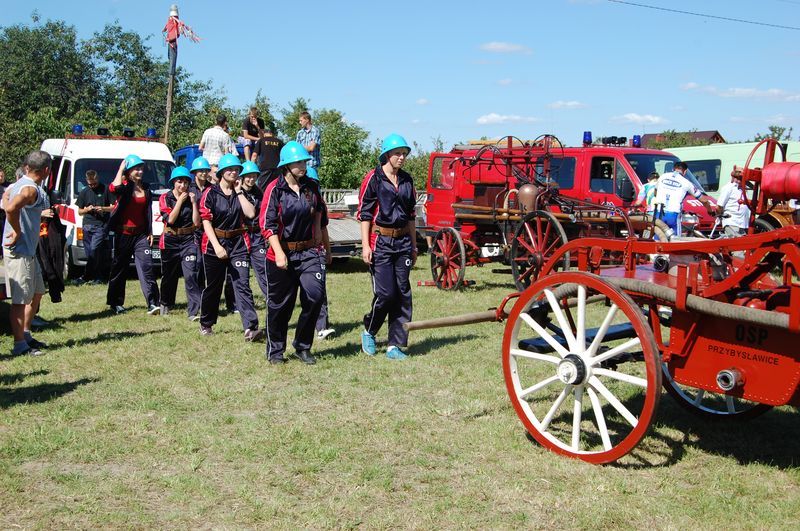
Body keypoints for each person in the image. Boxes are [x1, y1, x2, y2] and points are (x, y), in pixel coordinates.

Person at [260, 141, 331, 365]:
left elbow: (320, 209)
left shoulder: (311, 186)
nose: (303, 165)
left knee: (315, 295)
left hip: (309, 251)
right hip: (281, 253)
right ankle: (275, 350)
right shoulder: (274, 189)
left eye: (304, 161)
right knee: (281, 305)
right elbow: (267, 224)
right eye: (299, 162)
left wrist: (321, 236)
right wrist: (279, 253)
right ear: (287, 165)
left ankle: (302, 346)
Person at [357, 134, 417, 360]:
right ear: (387, 155)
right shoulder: (373, 178)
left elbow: (411, 215)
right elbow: (364, 214)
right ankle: (369, 331)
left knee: (402, 293)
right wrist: (365, 245)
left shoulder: (407, 180)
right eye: (397, 154)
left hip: (403, 242)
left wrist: (413, 245)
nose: (402, 158)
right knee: (385, 293)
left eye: (404, 154)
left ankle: (395, 345)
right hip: (380, 242)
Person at [198, 153, 262, 340]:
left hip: (238, 243)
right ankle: (206, 323)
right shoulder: (210, 193)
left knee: (242, 284)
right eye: (230, 169)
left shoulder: (241, 193)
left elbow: (250, 214)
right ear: (222, 172)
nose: (234, 172)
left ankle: (250, 327)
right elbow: (206, 222)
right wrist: (217, 246)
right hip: (214, 243)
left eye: (237, 170)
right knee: (214, 286)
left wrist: (240, 192)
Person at [2, 151, 51, 356]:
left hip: (30, 250)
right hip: (20, 250)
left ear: (27, 167)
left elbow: (6, 198)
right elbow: (11, 208)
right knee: (20, 300)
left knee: (37, 291)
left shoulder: (18, 184)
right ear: (46, 170)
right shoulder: (30, 189)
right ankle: (19, 345)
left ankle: (26, 334)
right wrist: (17, 230)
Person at [106, 155, 160, 315]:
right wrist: (121, 168)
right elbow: (113, 188)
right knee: (119, 269)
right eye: (136, 168)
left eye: (141, 168)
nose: (140, 171)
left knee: (147, 267)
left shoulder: (146, 188)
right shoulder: (124, 187)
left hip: (140, 235)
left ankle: (153, 303)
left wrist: (150, 231)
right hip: (123, 234)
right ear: (129, 171)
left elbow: (147, 211)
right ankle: (115, 303)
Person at [158, 166, 201, 318]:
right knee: (169, 275)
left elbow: (197, 223)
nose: (183, 185)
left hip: (188, 240)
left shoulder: (192, 197)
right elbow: (170, 220)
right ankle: (165, 302)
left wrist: (194, 203)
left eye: (185, 182)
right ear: (173, 183)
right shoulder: (165, 198)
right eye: (179, 182)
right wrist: (180, 202)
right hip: (170, 239)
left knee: (191, 275)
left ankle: (193, 311)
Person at [306, 166, 335, 340]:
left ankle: (321, 327)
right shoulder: (286, 198)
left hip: (316, 252)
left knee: (319, 290)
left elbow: (323, 228)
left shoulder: (320, 204)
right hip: (293, 252)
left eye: (315, 185)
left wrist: (328, 250)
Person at [653, 161, 715, 237]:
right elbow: (704, 200)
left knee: (657, 238)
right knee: (675, 240)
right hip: (673, 214)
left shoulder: (663, 176)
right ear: (685, 171)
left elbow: (655, 193)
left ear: (673, 169)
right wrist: (710, 211)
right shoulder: (687, 182)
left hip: (659, 212)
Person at [76, 169, 113, 283]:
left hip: (100, 225)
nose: (92, 186)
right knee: (90, 254)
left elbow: (113, 207)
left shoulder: (106, 189)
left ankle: (87, 276)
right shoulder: (84, 192)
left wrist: (103, 208)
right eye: (90, 184)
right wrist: (87, 209)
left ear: (98, 178)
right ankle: (96, 276)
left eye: (94, 183)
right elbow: (79, 211)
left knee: (94, 249)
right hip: (87, 225)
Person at [240, 161, 269, 301]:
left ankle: (270, 298)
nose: (251, 179)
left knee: (263, 268)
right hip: (241, 236)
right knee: (241, 273)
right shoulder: (236, 192)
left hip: (257, 236)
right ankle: (238, 303)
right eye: (248, 176)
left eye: (253, 176)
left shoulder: (259, 192)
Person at [716, 166, 750, 237]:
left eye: (742, 178)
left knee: (741, 246)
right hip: (732, 223)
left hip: (742, 224)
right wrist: (722, 217)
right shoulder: (728, 188)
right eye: (739, 178)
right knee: (735, 246)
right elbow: (719, 206)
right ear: (734, 177)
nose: (741, 180)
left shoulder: (743, 189)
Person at [254, 123, 283, 191]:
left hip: (265, 169)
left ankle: (262, 201)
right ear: (272, 134)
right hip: (277, 169)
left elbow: (254, 156)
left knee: (262, 190)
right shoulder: (279, 142)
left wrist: (252, 168)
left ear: (264, 133)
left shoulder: (261, 141)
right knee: (277, 189)